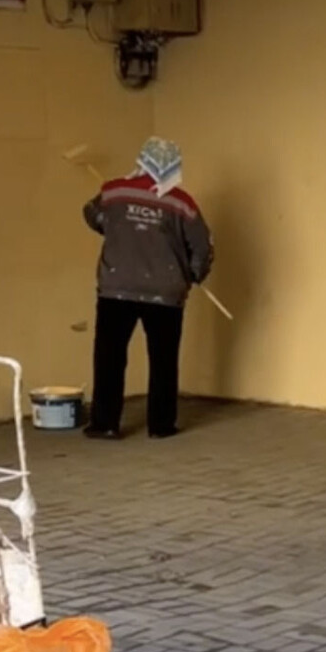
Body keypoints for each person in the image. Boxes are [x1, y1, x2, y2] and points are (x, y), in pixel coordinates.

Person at [82, 137, 214, 440]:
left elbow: (91, 214)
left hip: (117, 288)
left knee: (110, 357)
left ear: (142, 160)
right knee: (163, 360)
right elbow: (202, 246)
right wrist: (194, 275)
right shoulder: (182, 202)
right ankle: (161, 426)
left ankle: (105, 424)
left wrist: (116, 227)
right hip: (165, 293)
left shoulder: (113, 191)